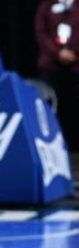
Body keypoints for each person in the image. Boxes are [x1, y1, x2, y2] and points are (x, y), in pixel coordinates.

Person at [35, 0, 79, 146]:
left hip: (76, 65)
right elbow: (40, 32)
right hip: (51, 65)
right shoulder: (47, 5)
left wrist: (74, 53)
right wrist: (58, 53)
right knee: (49, 105)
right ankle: (49, 142)